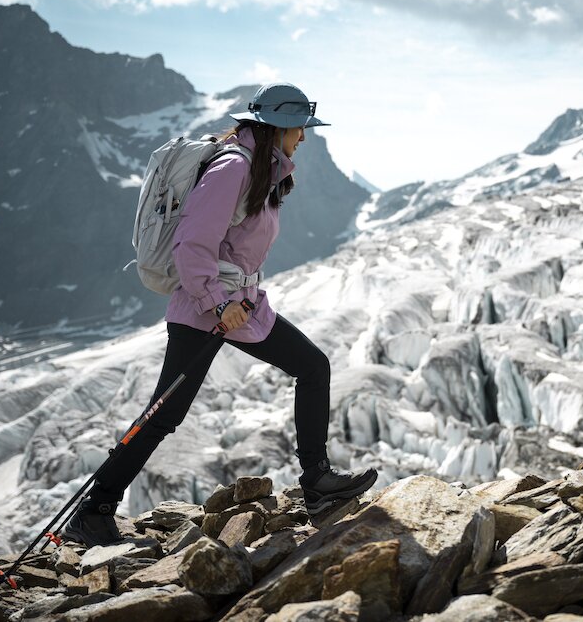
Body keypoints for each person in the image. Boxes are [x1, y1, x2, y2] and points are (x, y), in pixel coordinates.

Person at [63, 83, 377, 547]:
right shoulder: (234, 167)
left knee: (313, 366)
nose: (304, 138)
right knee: (164, 414)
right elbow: (192, 244)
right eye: (298, 128)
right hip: (206, 309)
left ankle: (318, 482)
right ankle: (94, 510)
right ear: (275, 127)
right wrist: (216, 303)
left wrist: (233, 302)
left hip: (240, 306)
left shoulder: (260, 168)